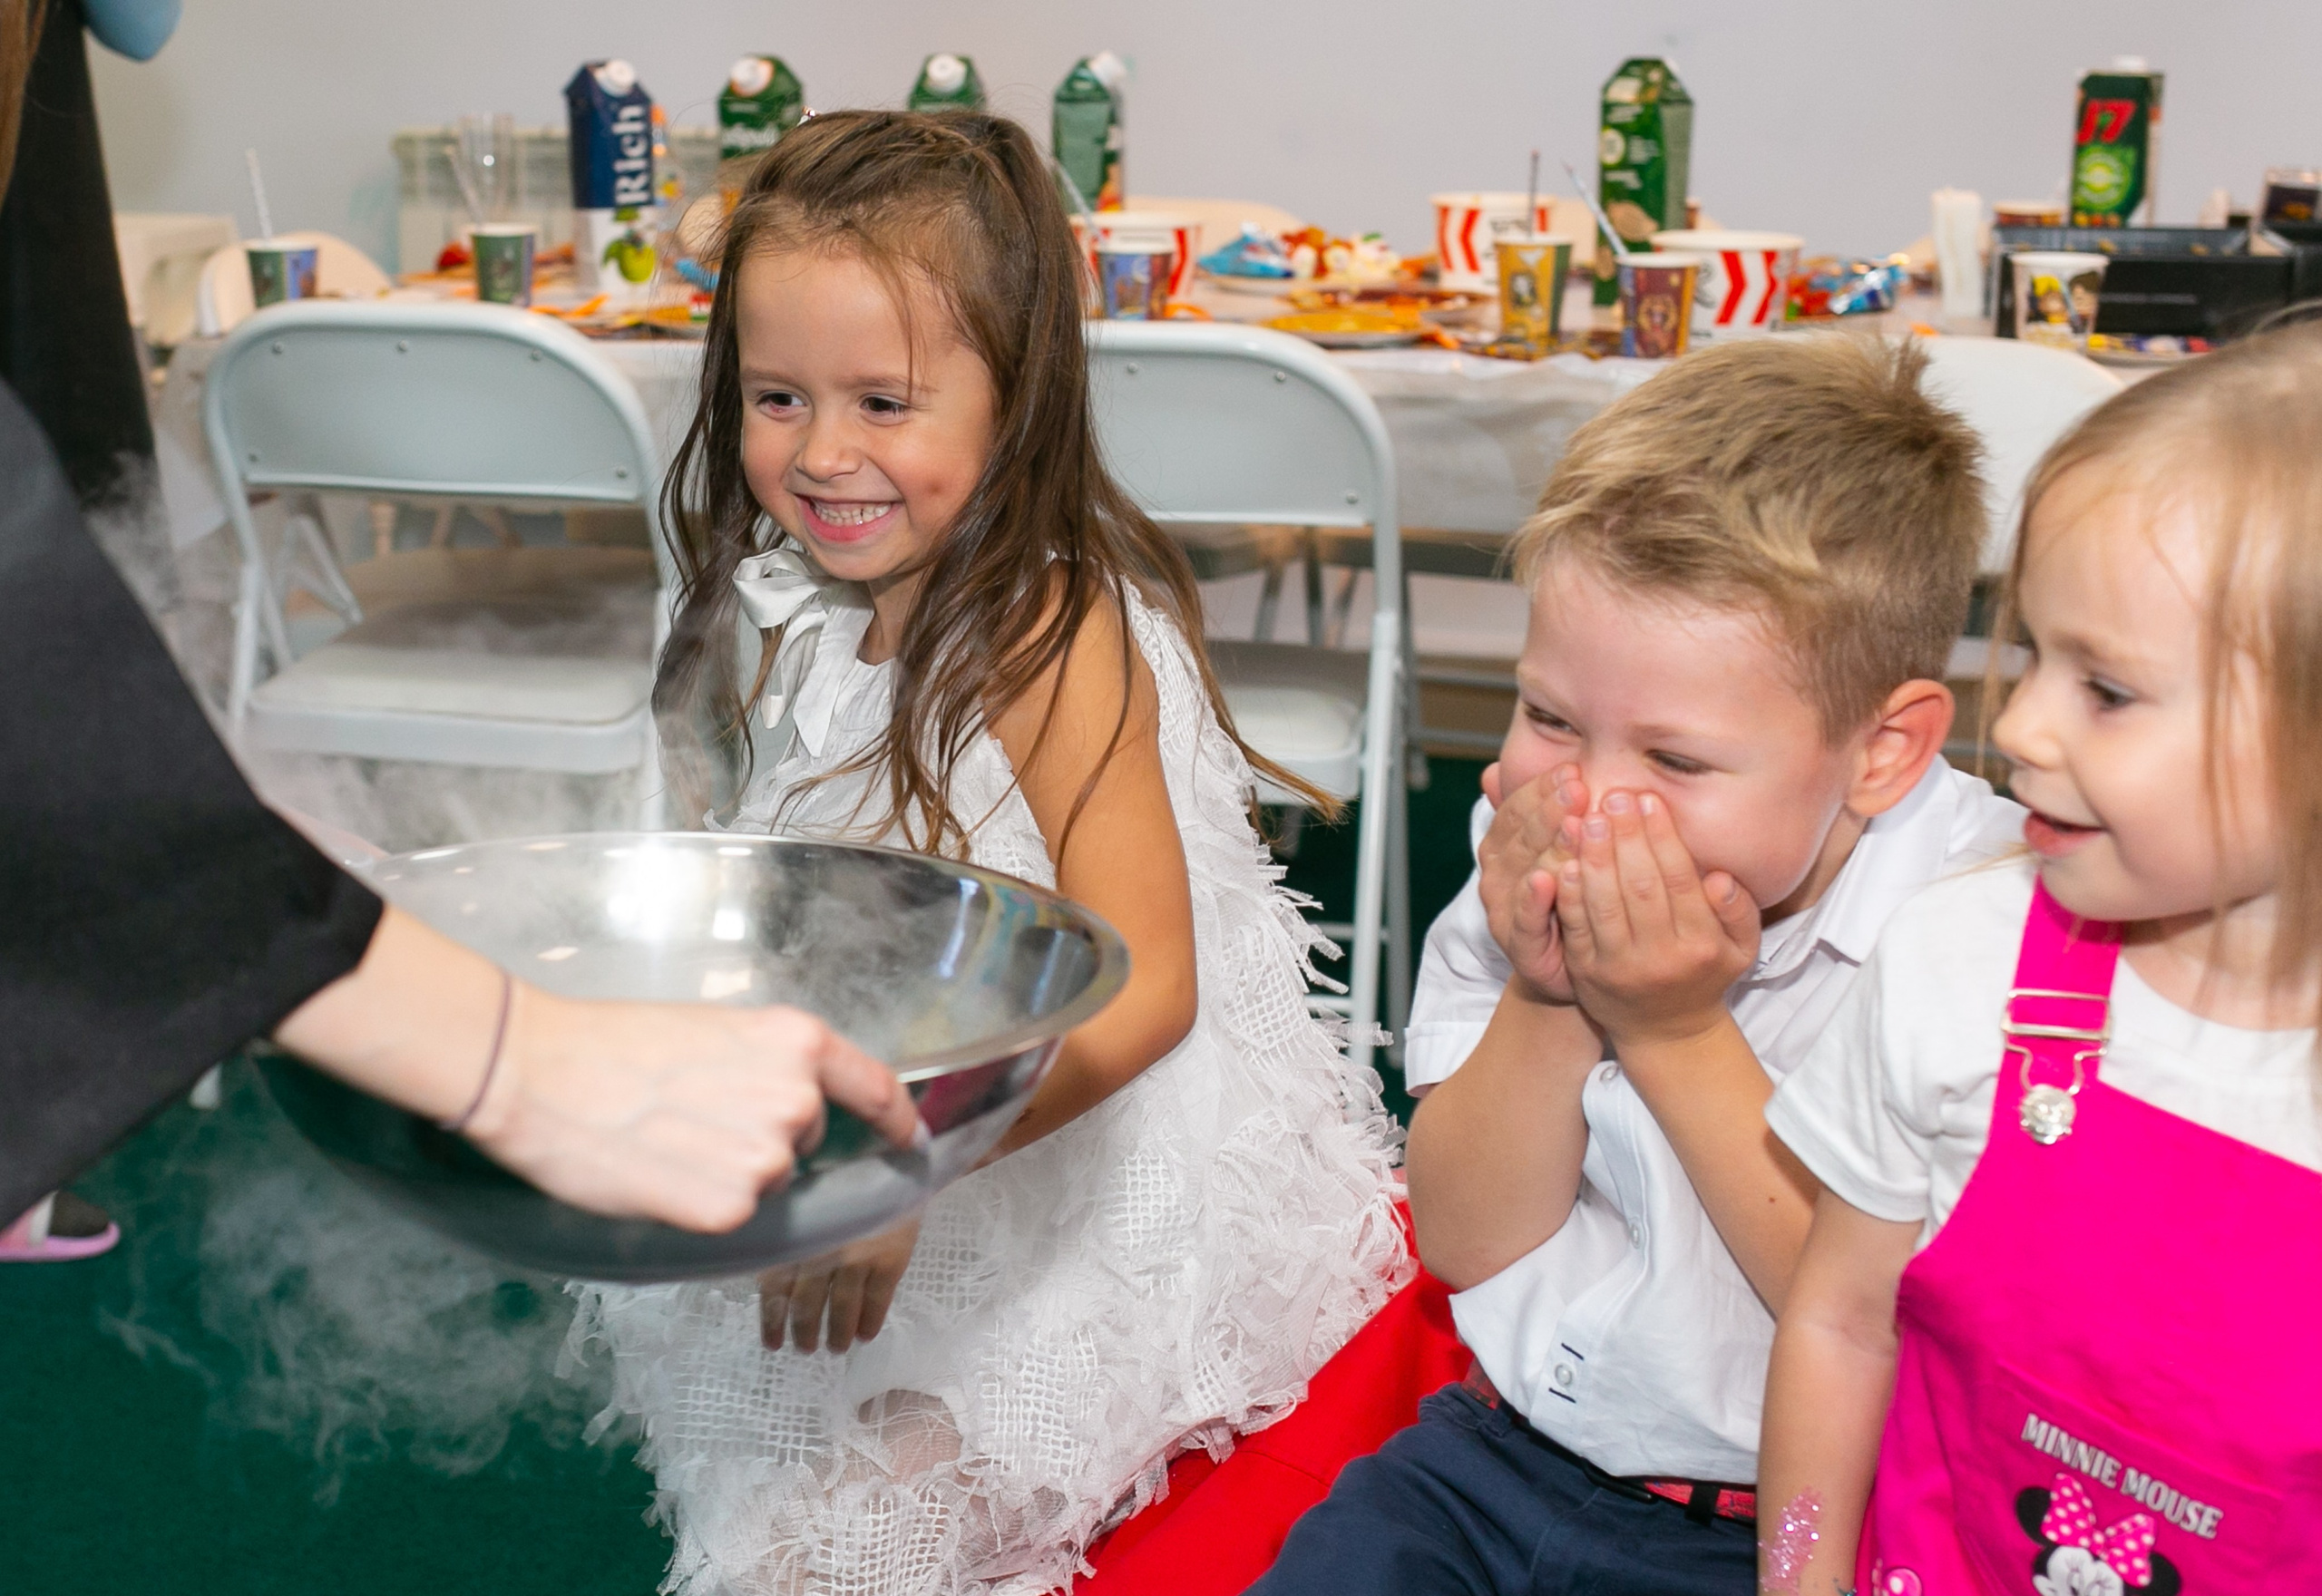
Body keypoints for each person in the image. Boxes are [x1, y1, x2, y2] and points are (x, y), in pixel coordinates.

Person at [565, 110, 1406, 1596]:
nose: (823, 454)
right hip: (917, 1094)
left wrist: (910, 1167)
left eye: (884, 402)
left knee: (825, 1556)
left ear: (1013, 402)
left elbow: (1145, 989)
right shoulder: (792, 594)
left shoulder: (1038, 625)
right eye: (776, 397)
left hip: (1073, 1158)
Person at [1252, 336, 2023, 1596]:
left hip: (1780, 1529)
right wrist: (1552, 994)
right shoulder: (1532, 837)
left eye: (1677, 761)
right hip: (1503, 1456)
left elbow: (1884, 1330)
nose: (1595, 799)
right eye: (1551, 716)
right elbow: (1462, 1237)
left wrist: (1668, 1030)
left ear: (1883, 750)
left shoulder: (1977, 931)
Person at [1759, 324, 2322, 1593]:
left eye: (2106, 690)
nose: (2017, 723)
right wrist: (1796, 1581)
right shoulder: (1958, 965)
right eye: (2031, 653)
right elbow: (1841, 1325)